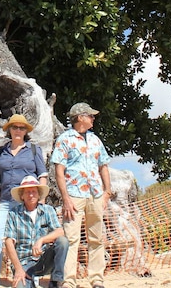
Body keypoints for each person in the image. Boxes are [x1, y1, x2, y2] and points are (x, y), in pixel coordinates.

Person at [50, 103, 112, 288]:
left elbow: (104, 165)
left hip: (95, 194)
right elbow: (58, 171)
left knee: (96, 238)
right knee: (71, 239)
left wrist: (107, 191)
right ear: (79, 118)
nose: (93, 118)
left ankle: (97, 279)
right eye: (90, 116)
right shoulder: (64, 139)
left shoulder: (95, 140)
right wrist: (66, 198)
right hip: (74, 195)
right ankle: (68, 281)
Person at [0, 114, 48, 288]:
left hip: (28, 202)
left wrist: (41, 201)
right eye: (15, 127)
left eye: (22, 128)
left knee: (29, 240)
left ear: (26, 131)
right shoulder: (1, 151)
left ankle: (30, 277)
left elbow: (42, 175)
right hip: (6, 201)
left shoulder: (34, 150)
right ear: (9, 130)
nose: (18, 131)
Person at [4, 176, 68, 288]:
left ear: (38, 194)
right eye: (27, 192)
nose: (31, 195)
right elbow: (9, 242)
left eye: (34, 191)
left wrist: (41, 240)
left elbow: (60, 231)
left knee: (62, 242)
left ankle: (56, 281)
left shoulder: (48, 210)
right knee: (20, 286)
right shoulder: (13, 214)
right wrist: (18, 269)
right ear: (22, 196)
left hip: (44, 259)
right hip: (23, 262)